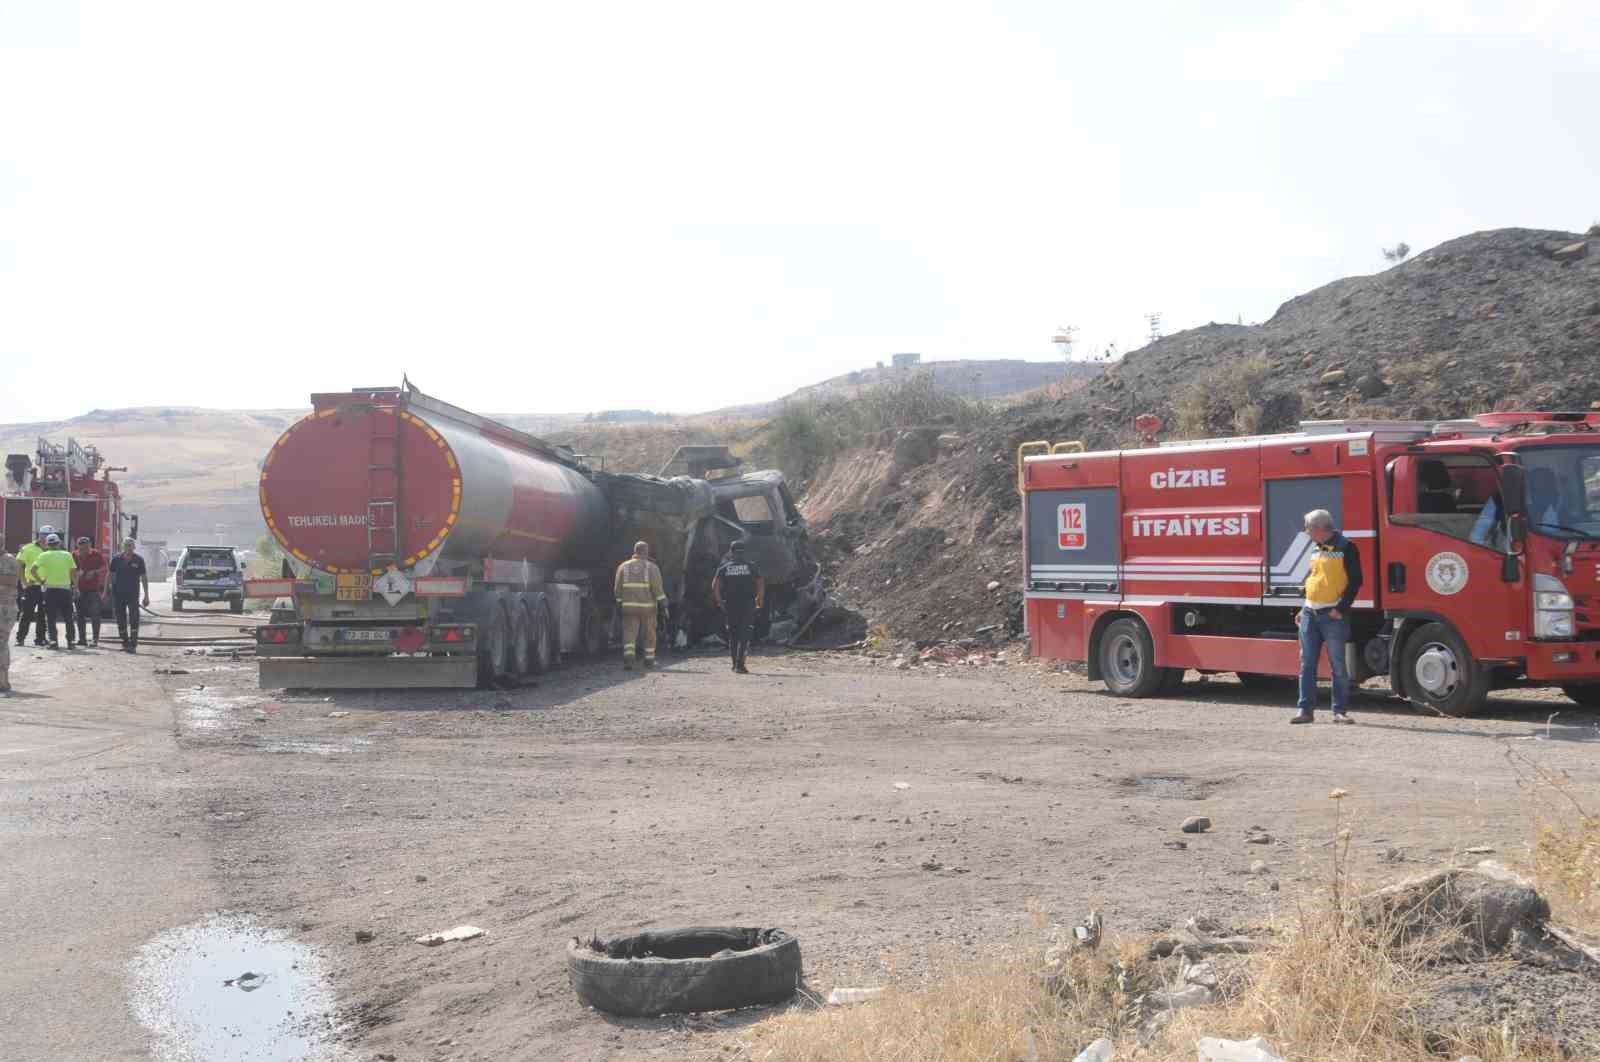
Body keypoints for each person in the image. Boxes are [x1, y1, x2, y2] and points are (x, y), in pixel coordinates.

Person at [1291, 509, 1363, 725]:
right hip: (1309, 613)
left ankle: (1339, 712)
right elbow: (1315, 579)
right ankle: (1305, 711)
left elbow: (1356, 581)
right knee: (1306, 664)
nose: (1306, 532)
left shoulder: (1347, 548)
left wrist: (1340, 608)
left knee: (1338, 666)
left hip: (1333, 616)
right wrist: (1303, 608)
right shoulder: (1316, 548)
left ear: (1320, 528)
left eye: (1308, 528)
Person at [712, 540, 764, 674]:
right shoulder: (751, 566)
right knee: (744, 634)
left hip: (730, 604)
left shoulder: (724, 568)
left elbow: (715, 586)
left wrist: (720, 602)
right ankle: (740, 665)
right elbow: (760, 583)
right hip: (747, 604)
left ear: (731, 552)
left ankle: (735, 664)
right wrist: (759, 599)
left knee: (733, 634)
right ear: (744, 552)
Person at [613, 540, 666, 670]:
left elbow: (617, 589)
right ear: (646, 551)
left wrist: (620, 602)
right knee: (649, 634)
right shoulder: (651, 567)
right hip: (648, 608)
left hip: (629, 608)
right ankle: (649, 661)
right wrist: (664, 604)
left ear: (634, 551)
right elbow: (658, 589)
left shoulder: (623, 567)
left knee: (629, 634)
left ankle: (629, 661)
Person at [28, 533, 79, 649]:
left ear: (47, 544)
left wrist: (41, 581)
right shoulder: (67, 555)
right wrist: (76, 587)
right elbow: (73, 573)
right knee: (68, 617)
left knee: (51, 617)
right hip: (65, 590)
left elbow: (33, 570)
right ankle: (71, 642)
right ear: (59, 543)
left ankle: (53, 642)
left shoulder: (44, 555)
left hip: (50, 590)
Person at [109, 539, 150, 653]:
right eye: (126, 546)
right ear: (123, 547)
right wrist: (107, 590)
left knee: (134, 618)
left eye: (131, 546)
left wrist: (146, 595)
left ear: (134, 547)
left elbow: (144, 578)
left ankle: (133, 643)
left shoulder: (139, 560)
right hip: (118, 594)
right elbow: (111, 575)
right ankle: (124, 642)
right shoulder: (116, 559)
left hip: (133, 594)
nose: (128, 548)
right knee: (120, 618)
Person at [15, 526, 49, 648]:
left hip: (47, 586)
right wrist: (23, 581)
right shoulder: (28, 548)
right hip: (32, 585)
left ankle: (40, 639)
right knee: (27, 613)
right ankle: (20, 638)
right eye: (44, 534)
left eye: (49, 535)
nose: (46, 537)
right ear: (39, 535)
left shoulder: (54, 549)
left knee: (43, 614)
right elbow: (19, 564)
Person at [73, 536, 109, 647]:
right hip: (79, 589)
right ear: (78, 547)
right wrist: (76, 573)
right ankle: (82, 639)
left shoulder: (96, 554)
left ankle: (95, 639)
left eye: (87, 548)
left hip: (93, 590)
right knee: (80, 615)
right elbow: (69, 568)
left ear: (90, 546)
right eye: (82, 549)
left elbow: (105, 567)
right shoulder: (74, 555)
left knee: (95, 614)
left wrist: (94, 572)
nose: (85, 551)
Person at [0, 547, 18, 693]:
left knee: (1, 642)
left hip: (4, 608)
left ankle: (3, 681)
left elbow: (12, 580)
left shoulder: (9, 559)